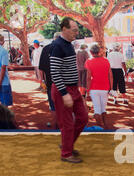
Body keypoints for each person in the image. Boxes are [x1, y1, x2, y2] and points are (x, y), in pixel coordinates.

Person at [50, 17, 89, 164]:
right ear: (64, 29)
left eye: (77, 30)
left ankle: (67, 145)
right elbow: (54, 71)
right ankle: (66, 153)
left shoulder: (68, 45)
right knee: (67, 123)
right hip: (64, 90)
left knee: (83, 117)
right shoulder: (58, 46)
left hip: (73, 89)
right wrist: (64, 93)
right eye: (74, 30)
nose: (76, 33)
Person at [85, 44, 113, 129]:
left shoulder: (89, 61)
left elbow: (88, 78)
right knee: (103, 108)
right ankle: (105, 126)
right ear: (99, 51)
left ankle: (100, 128)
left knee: (97, 109)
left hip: (94, 88)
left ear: (90, 52)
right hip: (105, 87)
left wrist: (88, 91)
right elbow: (110, 76)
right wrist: (111, 88)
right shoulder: (106, 61)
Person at [39, 32, 62, 129]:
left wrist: (42, 81)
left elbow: (41, 68)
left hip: (50, 82)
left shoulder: (45, 48)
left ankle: (55, 125)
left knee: (53, 105)